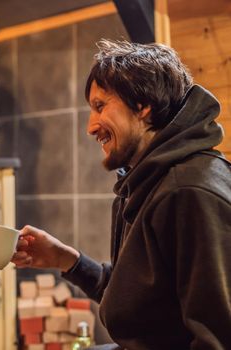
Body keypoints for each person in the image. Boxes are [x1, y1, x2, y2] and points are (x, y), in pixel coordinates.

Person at [12, 39, 231, 349]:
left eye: (101, 106)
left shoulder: (188, 192)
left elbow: (218, 339)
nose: (90, 126)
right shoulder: (148, 182)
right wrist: (66, 260)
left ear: (143, 105)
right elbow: (141, 306)